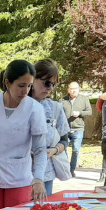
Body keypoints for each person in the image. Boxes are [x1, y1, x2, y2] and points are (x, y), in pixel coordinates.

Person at [0, 59, 47, 210]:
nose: (25, 91)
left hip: (20, 178)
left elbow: (40, 149)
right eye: (21, 85)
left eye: (29, 86)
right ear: (7, 83)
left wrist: (38, 178)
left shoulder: (34, 109)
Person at [31, 59, 70, 196]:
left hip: (46, 174)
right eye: (47, 83)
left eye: (54, 84)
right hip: (18, 174)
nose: (50, 88)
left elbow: (65, 140)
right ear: (33, 79)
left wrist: (53, 150)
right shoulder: (18, 105)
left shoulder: (55, 107)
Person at [60, 82, 92, 176]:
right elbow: (59, 113)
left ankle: (71, 169)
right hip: (65, 129)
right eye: (72, 88)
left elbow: (89, 112)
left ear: (79, 89)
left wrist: (80, 113)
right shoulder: (63, 100)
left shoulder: (84, 99)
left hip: (78, 128)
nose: (74, 90)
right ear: (68, 90)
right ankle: (65, 168)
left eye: (76, 88)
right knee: (63, 149)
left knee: (76, 150)